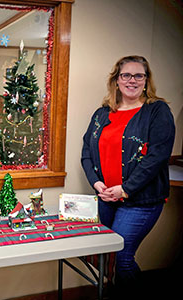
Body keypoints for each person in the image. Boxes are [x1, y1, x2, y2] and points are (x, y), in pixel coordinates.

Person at [81, 55, 175, 298]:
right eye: (126, 75)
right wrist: (97, 183)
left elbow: (157, 158)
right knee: (108, 258)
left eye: (138, 75)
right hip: (106, 198)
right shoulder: (102, 113)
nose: (132, 80)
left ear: (146, 80)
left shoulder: (157, 111)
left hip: (140, 201)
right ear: (116, 80)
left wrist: (124, 189)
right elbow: (86, 152)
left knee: (121, 257)